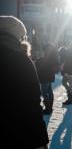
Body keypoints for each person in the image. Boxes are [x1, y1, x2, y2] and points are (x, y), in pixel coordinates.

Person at [0, 16, 49, 148]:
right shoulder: (20, 60)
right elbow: (31, 104)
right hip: (16, 134)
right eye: (23, 36)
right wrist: (41, 141)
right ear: (17, 36)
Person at [36, 43, 59, 115]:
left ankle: (48, 109)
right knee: (49, 92)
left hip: (44, 76)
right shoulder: (53, 56)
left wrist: (38, 61)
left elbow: (43, 65)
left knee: (44, 93)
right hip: (49, 76)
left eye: (44, 49)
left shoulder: (48, 57)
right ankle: (50, 107)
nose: (43, 51)